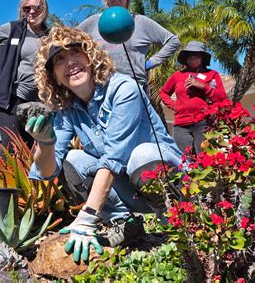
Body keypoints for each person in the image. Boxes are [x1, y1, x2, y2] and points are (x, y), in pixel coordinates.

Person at [26, 26, 183, 263]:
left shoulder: (124, 88)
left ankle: (175, 222)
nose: (70, 62)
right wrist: (45, 143)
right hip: (128, 185)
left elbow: (113, 160)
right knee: (73, 160)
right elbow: (48, 172)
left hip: (169, 178)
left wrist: (87, 218)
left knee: (142, 155)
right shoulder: (67, 111)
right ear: (53, 75)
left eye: (75, 52)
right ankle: (125, 224)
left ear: (90, 56)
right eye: (59, 59)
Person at [78, 0, 180, 92]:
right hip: (100, 89)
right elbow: (67, 40)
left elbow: (173, 41)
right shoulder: (93, 22)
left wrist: (150, 63)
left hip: (134, 87)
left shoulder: (141, 21)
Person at [0, 0, 49, 149]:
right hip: (11, 99)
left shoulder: (50, 36)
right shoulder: (14, 29)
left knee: (31, 150)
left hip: (37, 101)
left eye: (36, 8)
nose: (31, 12)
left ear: (44, 9)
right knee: (13, 149)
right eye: (26, 8)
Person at [159, 41, 227, 154]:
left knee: (203, 158)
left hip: (203, 122)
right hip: (181, 124)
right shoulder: (177, 75)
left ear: (202, 58)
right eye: (189, 56)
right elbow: (163, 93)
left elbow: (222, 98)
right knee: (183, 159)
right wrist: (174, 105)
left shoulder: (212, 74)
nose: (192, 58)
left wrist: (202, 86)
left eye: (196, 56)